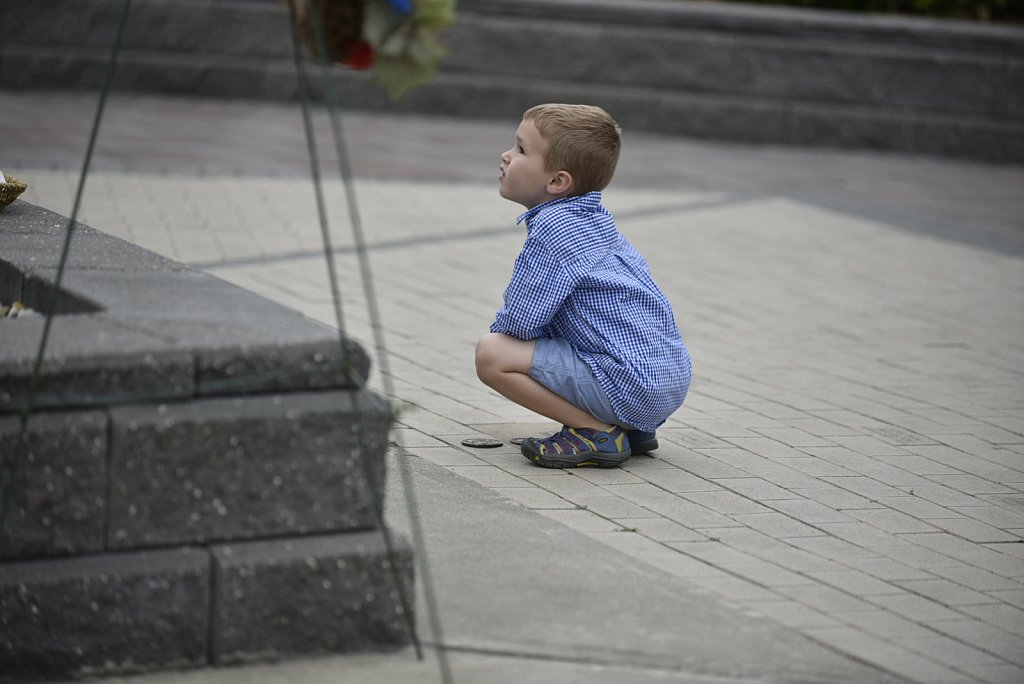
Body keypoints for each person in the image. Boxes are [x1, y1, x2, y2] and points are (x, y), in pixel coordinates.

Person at [475, 103, 691, 468]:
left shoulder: (553, 229)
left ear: (557, 181)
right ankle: (630, 427)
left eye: (522, 150)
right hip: (667, 382)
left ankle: (596, 431)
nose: (506, 156)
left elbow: (520, 322)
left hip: (632, 385)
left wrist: (510, 339)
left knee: (492, 354)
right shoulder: (593, 218)